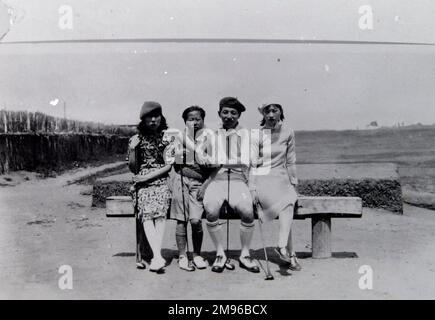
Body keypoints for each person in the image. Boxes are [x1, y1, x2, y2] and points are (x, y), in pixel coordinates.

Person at [201, 97, 260, 273]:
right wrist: (207, 160)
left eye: (233, 113)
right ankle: (220, 253)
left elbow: (254, 163)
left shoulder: (248, 135)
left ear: (239, 115)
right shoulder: (210, 135)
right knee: (211, 209)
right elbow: (199, 155)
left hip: (238, 180)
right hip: (216, 180)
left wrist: (253, 187)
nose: (228, 116)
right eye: (225, 112)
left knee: (248, 211)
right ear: (219, 113)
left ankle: (245, 254)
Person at [249, 103, 301, 271]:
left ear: (281, 112)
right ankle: (287, 251)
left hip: (282, 177)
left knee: (289, 200)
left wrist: (294, 182)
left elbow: (291, 160)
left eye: (274, 111)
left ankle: (283, 247)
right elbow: (252, 164)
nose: (271, 114)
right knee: (287, 202)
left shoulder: (288, 132)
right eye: (267, 111)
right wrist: (252, 188)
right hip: (263, 178)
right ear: (263, 114)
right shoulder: (256, 134)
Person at [131, 101, 173, 272]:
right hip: (142, 184)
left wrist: (148, 176)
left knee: (160, 212)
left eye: (156, 116)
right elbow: (133, 168)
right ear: (143, 119)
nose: (153, 120)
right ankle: (157, 256)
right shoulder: (136, 139)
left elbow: (169, 165)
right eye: (150, 117)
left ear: (161, 118)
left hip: (161, 180)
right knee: (147, 214)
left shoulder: (167, 138)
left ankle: (156, 256)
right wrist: (133, 149)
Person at [168, 106, 211, 271]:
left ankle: (197, 254)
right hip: (181, 181)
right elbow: (177, 164)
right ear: (185, 122)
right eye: (190, 119)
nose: (194, 122)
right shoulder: (179, 137)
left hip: (199, 184)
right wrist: (184, 156)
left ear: (203, 120)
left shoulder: (210, 138)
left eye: (198, 118)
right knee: (181, 220)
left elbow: (211, 164)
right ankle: (182, 255)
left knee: (195, 220)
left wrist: (195, 156)